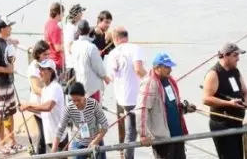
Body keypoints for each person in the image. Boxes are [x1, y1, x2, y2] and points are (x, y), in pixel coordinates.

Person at [137, 52, 195, 159]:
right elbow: (142, 109)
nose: (170, 69)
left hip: (178, 136)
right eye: (166, 66)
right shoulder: (150, 83)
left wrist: (185, 108)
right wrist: (143, 134)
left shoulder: (170, 81)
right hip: (163, 139)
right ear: (157, 67)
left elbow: (171, 106)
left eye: (170, 66)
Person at [202, 43, 247, 159]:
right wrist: (229, 103)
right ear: (225, 56)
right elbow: (206, 99)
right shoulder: (214, 74)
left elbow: (245, 91)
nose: (238, 58)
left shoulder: (235, 71)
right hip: (222, 125)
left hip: (236, 122)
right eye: (235, 55)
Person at [0, 17, 25, 156]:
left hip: (8, 83)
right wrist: (6, 70)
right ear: (2, 29)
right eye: (9, 26)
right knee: (0, 116)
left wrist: (11, 41)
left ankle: (12, 141)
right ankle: (2, 144)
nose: (11, 28)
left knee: (10, 113)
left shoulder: (4, 42)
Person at [105, 27, 146, 159]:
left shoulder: (112, 54)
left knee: (129, 133)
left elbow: (110, 77)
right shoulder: (135, 49)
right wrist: (151, 79)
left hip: (120, 99)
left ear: (116, 39)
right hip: (135, 97)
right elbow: (138, 70)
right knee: (136, 132)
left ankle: (125, 155)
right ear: (126, 37)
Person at [21, 58, 68, 154]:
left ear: (51, 71)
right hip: (50, 138)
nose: (40, 72)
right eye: (39, 69)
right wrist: (26, 107)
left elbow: (48, 107)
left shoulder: (55, 87)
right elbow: (43, 110)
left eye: (43, 69)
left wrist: (29, 105)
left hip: (59, 138)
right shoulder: (46, 89)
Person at [53, 82, 108, 158]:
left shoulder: (94, 104)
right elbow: (60, 130)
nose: (76, 103)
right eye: (73, 100)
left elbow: (105, 125)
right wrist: (53, 150)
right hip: (79, 142)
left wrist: (95, 141)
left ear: (84, 95)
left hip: (96, 140)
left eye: (78, 100)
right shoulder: (69, 108)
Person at [70, 20, 111, 102]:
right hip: (92, 87)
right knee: (93, 111)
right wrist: (105, 77)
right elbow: (98, 66)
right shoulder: (91, 47)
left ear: (78, 31)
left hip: (80, 84)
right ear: (89, 31)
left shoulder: (74, 46)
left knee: (84, 111)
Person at [23, 40, 50, 154]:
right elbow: (35, 88)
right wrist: (51, 93)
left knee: (48, 133)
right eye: (44, 54)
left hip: (46, 103)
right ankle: (40, 155)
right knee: (43, 134)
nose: (47, 56)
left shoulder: (47, 64)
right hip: (38, 105)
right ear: (38, 54)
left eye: (48, 54)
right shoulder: (33, 68)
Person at [63, 4, 85, 87]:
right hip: (72, 66)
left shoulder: (74, 27)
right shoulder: (70, 28)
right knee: (75, 94)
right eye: (81, 12)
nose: (82, 15)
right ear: (77, 14)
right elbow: (69, 46)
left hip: (75, 65)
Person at [44, 2, 65, 72]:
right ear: (58, 14)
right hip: (57, 64)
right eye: (62, 13)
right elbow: (58, 48)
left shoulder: (47, 24)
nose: (63, 15)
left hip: (50, 60)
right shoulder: (56, 28)